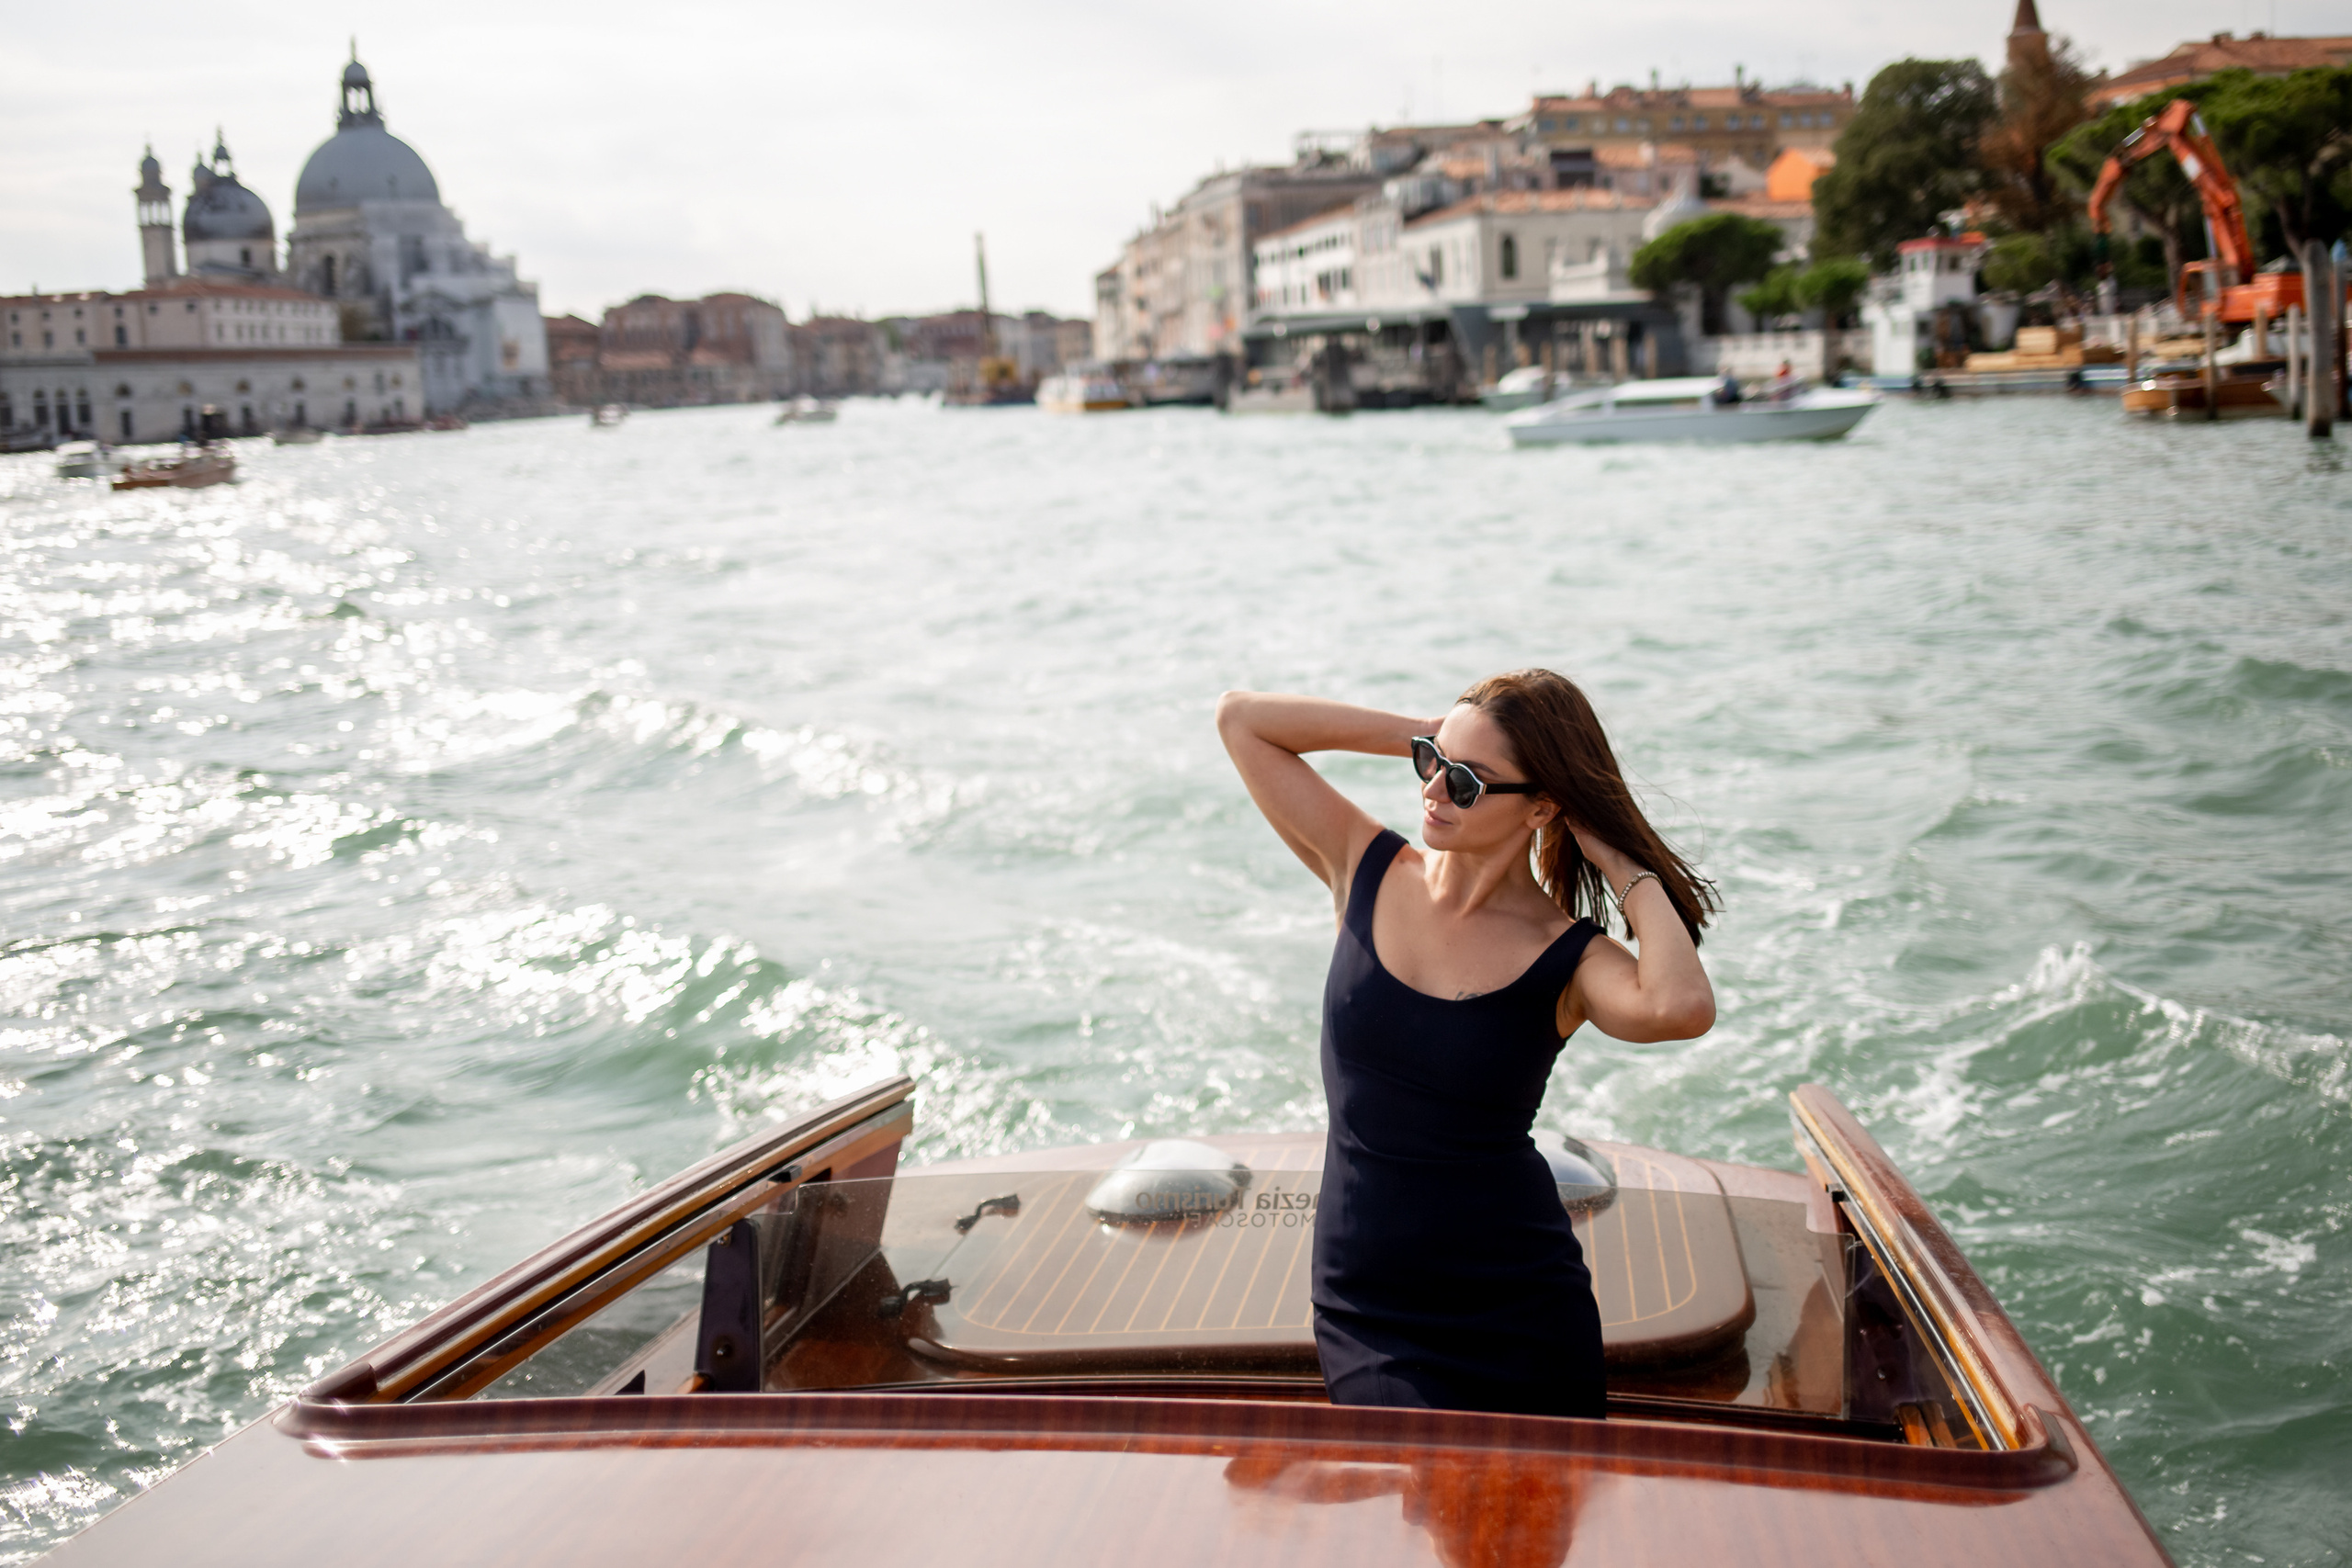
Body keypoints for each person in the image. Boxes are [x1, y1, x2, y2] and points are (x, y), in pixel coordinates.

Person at [1216, 671, 1717, 1420]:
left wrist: (1618, 859)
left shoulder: (1568, 955)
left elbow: (1679, 1005)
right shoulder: (1366, 865)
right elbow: (1243, 720)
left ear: (1543, 807)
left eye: (1466, 784)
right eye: (1430, 766)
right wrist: (1436, 735)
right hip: (1370, 1304)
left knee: (1541, 1536)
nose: (1434, 791)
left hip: (1520, 1305)